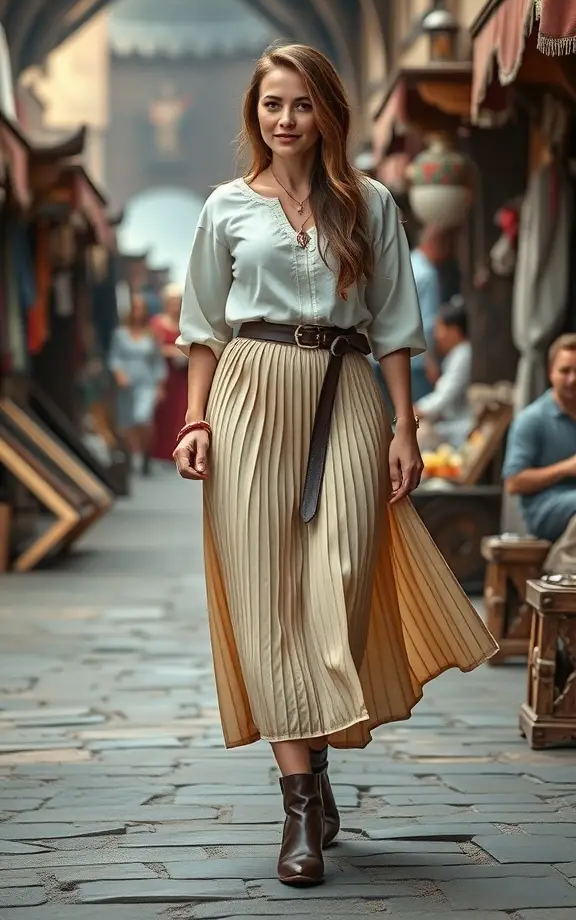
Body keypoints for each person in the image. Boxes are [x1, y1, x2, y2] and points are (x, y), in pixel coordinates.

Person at [173, 44, 497, 888]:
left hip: (350, 392)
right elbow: (204, 325)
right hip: (249, 395)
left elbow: (395, 321)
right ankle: (300, 802)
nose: (286, 120)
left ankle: (311, 771)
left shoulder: (371, 203)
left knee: (342, 579)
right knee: (267, 601)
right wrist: (196, 418)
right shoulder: (225, 208)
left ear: (328, 115)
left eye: (302, 105)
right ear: (256, 116)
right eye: (272, 105)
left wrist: (405, 425)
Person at [503, 333, 576, 574]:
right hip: (544, 510)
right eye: (565, 371)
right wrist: (566, 468)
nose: (572, 379)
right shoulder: (532, 420)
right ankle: (560, 569)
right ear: (550, 373)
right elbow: (513, 482)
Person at [108, 292, 166, 475]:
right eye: (134, 308)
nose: (137, 312)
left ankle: (146, 453)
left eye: (141, 308)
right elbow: (114, 357)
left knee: (143, 418)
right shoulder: (120, 334)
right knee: (127, 423)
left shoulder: (151, 335)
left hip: (146, 382)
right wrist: (118, 374)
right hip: (126, 384)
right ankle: (132, 456)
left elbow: (158, 361)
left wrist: (159, 385)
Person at [415, 298, 472, 451]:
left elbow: (444, 396)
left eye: (440, 328)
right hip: (451, 425)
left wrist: (417, 410)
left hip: (459, 428)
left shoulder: (463, 355)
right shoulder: (458, 354)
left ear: (453, 330)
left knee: (419, 436)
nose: (437, 335)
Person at [410, 225, 451, 401]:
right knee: (418, 417)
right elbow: (427, 323)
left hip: (390, 355)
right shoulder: (427, 274)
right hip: (418, 359)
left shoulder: (407, 262)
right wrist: (431, 362)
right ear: (434, 244)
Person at [151, 284, 189, 461]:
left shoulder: (186, 323)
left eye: (178, 302)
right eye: (173, 301)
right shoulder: (157, 323)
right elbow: (151, 348)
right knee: (163, 413)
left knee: (181, 412)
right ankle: (160, 451)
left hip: (183, 376)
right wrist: (171, 351)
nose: (176, 305)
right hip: (162, 374)